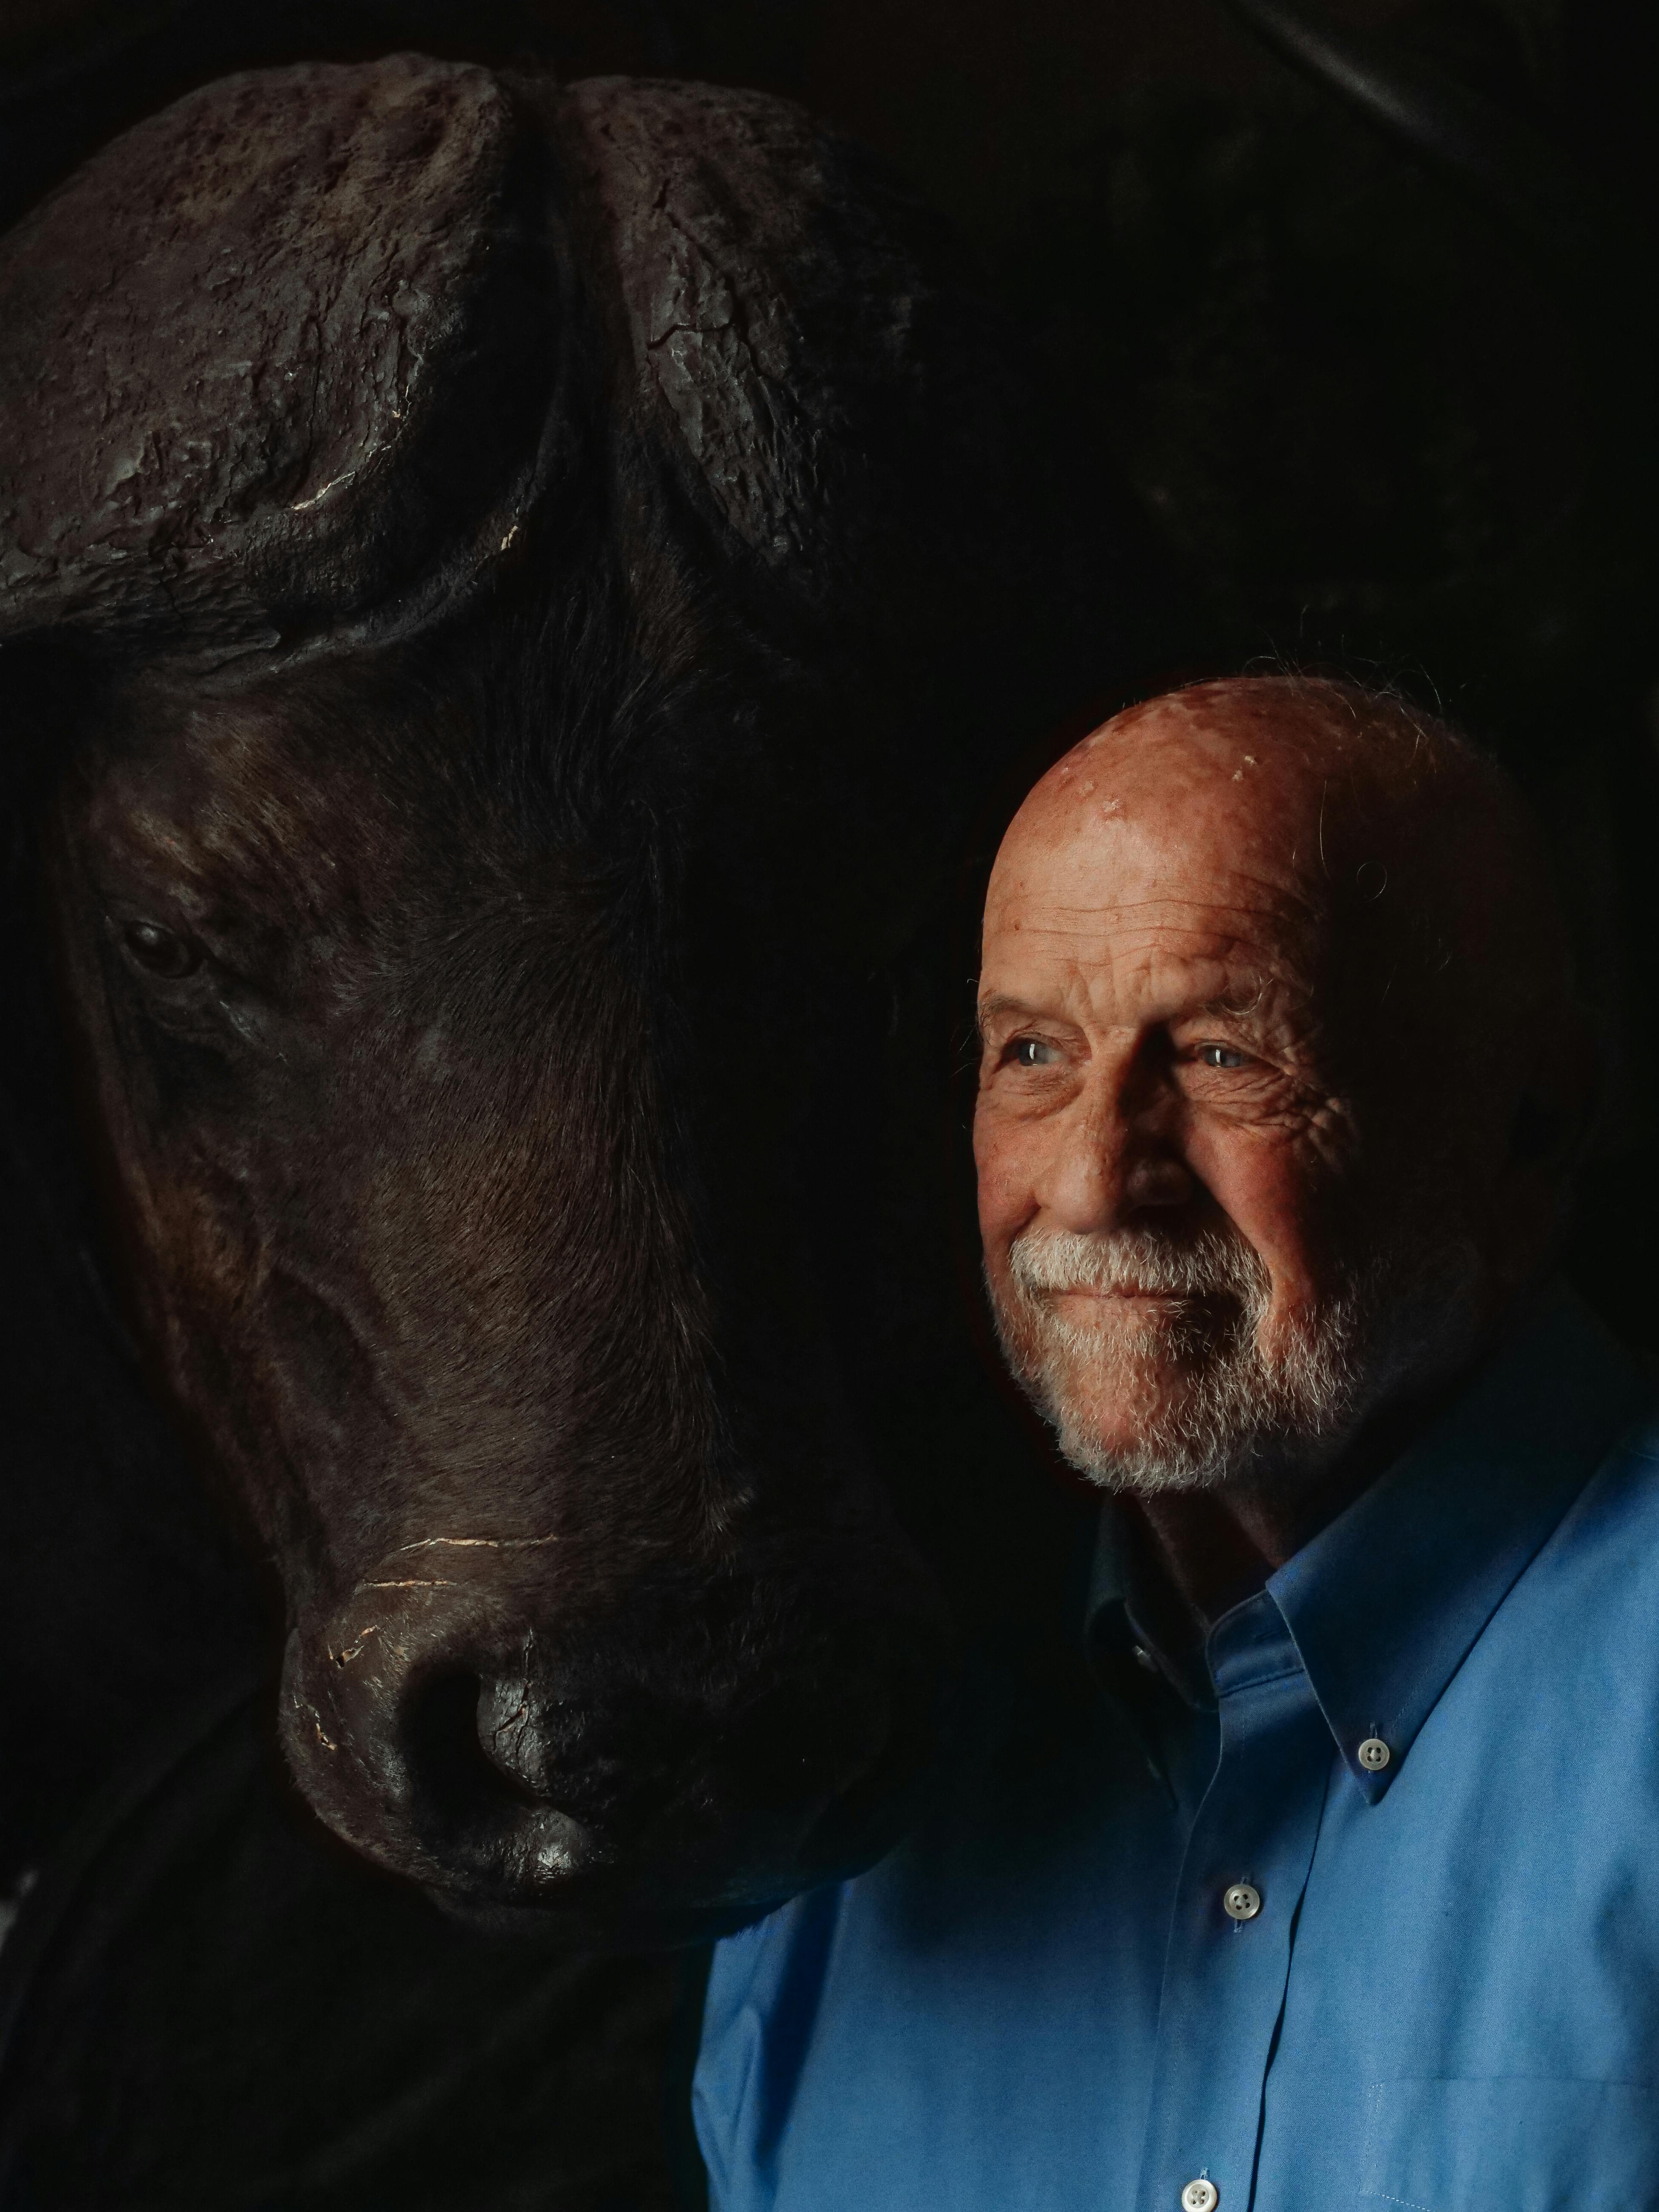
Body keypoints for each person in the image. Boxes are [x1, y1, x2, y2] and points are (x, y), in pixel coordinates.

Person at [692, 673, 1659, 2212]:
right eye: (1031, 1054)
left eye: (1221, 1053)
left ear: (1529, 1131)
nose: (1089, 1184)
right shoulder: (866, 1803)